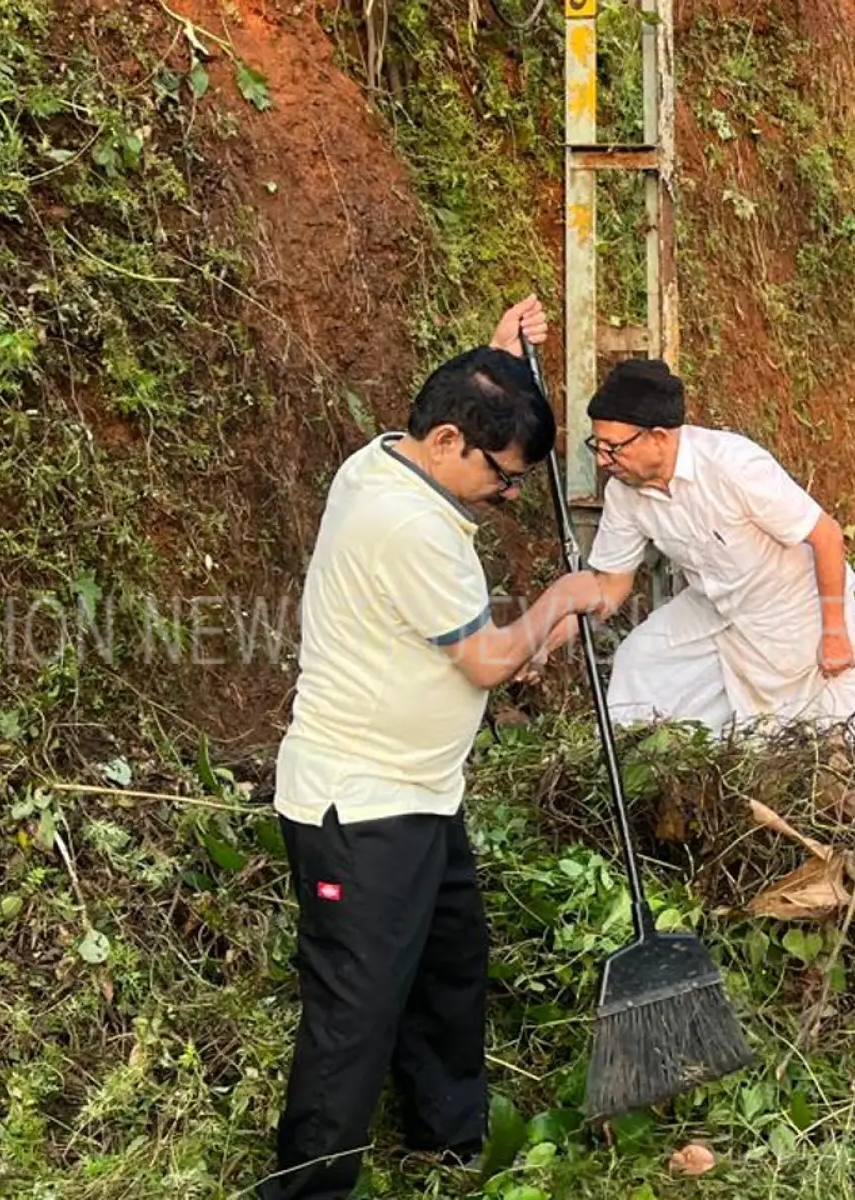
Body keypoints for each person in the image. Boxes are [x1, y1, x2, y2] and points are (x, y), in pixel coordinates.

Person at [265, 297, 600, 1200]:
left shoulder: (384, 457)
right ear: (449, 440)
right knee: (355, 1009)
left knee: (451, 961)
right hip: (360, 809)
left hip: (419, 794)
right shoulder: (412, 528)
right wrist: (558, 602)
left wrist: (503, 360)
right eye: (505, 476)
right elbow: (490, 660)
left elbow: (471, 409)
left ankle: (445, 1134)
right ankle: (307, 1189)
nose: (509, 493)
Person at [536, 357, 855, 807]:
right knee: (641, 658)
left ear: (659, 436)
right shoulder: (624, 493)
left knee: (840, 720)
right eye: (599, 445)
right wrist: (539, 645)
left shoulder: (733, 465)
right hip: (715, 606)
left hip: (794, 609)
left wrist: (834, 632)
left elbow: (825, 535)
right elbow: (610, 586)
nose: (605, 459)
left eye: (615, 447)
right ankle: (641, 792)